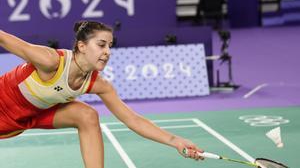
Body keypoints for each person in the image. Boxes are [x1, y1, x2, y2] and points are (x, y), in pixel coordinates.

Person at [0, 21, 204, 168]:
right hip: (2, 105)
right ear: (81, 46)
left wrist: (176, 141)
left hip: (32, 114)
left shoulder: (98, 84)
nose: (107, 51)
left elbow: (132, 119)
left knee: (87, 115)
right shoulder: (50, 61)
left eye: (110, 45)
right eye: (101, 44)